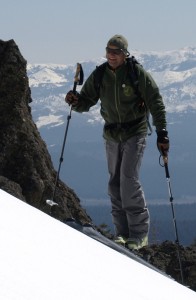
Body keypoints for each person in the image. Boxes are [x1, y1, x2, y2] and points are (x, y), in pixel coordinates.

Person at [65, 34, 169, 250]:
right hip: (112, 134)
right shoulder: (101, 74)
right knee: (114, 183)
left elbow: (155, 101)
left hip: (135, 132)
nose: (111, 55)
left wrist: (162, 132)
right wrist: (75, 101)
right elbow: (86, 101)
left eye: (116, 52)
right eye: (108, 51)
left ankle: (139, 234)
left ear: (124, 54)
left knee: (128, 179)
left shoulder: (136, 74)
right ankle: (122, 234)